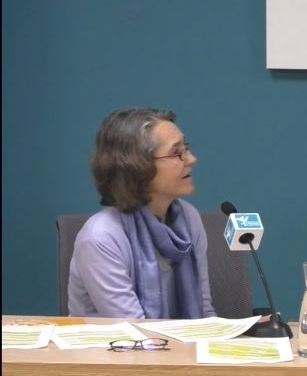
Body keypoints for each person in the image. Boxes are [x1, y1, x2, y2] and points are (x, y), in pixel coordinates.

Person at [67, 107, 216, 319]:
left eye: (186, 148)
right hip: (120, 340)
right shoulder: (100, 237)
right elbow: (135, 330)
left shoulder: (188, 218)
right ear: (137, 167)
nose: (191, 159)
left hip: (177, 340)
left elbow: (203, 312)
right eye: (177, 152)